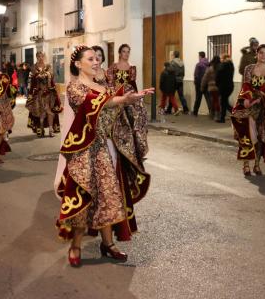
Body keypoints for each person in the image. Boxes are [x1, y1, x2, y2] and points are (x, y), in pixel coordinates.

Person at [55, 46, 153, 267]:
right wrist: (120, 100)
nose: (97, 61)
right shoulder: (75, 87)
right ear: (78, 64)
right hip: (85, 151)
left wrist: (132, 98)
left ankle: (107, 244)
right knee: (85, 197)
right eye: (91, 59)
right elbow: (94, 103)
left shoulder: (103, 86)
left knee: (109, 195)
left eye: (97, 58)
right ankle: (76, 245)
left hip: (108, 148)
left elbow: (115, 103)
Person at [231, 45, 265, 176]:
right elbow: (246, 84)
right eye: (261, 52)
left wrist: (257, 99)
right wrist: (246, 99)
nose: (263, 55)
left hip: (264, 107)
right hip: (248, 105)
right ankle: (246, 165)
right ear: (257, 53)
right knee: (248, 134)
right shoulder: (249, 68)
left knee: (261, 137)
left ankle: (256, 164)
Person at [26, 52, 62, 138]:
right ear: (36, 57)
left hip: (49, 94)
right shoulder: (33, 67)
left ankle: (50, 129)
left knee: (50, 111)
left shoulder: (48, 66)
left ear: (44, 56)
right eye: (38, 56)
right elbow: (32, 82)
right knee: (40, 112)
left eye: (42, 56)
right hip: (38, 94)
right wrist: (31, 94)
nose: (40, 58)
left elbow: (52, 79)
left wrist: (55, 92)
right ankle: (41, 128)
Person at [165, 51, 189, 115]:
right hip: (180, 81)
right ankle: (186, 109)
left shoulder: (172, 63)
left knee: (171, 95)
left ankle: (169, 110)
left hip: (174, 81)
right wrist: (181, 78)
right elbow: (183, 73)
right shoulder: (182, 62)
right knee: (181, 96)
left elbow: (170, 72)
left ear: (174, 55)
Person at [215, 54, 234, 123]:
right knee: (224, 102)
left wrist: (217, 84)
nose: (220, 59)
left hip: (223, 86)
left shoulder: (223, 65)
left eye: (221, 58)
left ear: (224, 58)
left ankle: (235, 113)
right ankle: (222, 118)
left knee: (224, 102)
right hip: (230, 86)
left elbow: (218, 75)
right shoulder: (231, 65)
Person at [201, 55, 221, 120]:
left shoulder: (210, 68)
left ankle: (214, 114)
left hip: (211, 87)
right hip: (219, 87)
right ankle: (215, 114)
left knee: (214, 100)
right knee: (216, 100)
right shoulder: (221, 68)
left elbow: (205, 78)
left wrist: (202, 86)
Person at [192, 51, 210, 117]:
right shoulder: (208, 63)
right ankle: (211, 112)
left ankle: (195, 112)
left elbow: (196, 75)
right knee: (208, 98)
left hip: (199, 83)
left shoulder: (199, 64)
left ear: (200, 56)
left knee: (198, 98)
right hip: (207, 83)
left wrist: (195, 82)